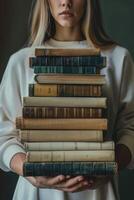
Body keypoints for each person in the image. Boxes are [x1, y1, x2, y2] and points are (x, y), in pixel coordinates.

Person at [0, 0, 134, 199]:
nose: (65, 2)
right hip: (35, 193)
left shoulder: (118, 58)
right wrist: (30, 171)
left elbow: (130, 128)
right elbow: (3, 134)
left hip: (98, 192)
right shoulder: (21, 61)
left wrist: (108, 166)